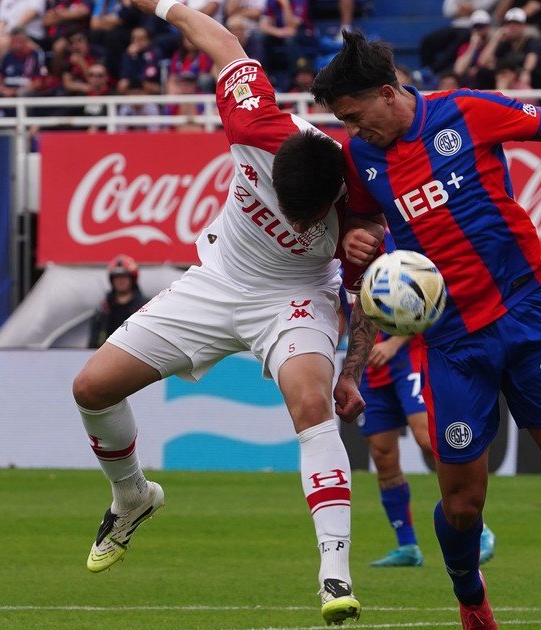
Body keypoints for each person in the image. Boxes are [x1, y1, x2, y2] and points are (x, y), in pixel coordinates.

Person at [316, 30, 541, 630]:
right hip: (452, 343)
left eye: (354, 116)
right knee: (463, 504)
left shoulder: (465, 111)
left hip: (527, 316)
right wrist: (355, 243)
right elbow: (362, 258)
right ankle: (472, 602)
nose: (351, 130)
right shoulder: (360, 159)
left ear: (389, 94)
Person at [70, 1, 372, 625]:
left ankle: (334, 574)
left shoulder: (362, 194)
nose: (297, 221)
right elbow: (218, 38)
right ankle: (132, 498)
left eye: (308, 216)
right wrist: (163, 5)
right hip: (218, 280)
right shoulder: (253, 119)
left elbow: (368, 290)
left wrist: (355, 371)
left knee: (311, 406)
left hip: (295, 297)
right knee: (91, 388)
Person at [354, 232, 496, 570]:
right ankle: (407, 546)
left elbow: (428, 301)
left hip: (408, 358)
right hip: (368, 365)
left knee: (428, 439)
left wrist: (393, 344)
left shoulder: (397, 243)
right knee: (382, 452)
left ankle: (478, 527)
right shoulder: (336, 250)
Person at [88, 255, 147, 349]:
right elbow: (93, 343)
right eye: (117, 277)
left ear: (132, 279)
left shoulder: (145, 308)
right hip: (108, 357)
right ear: (112, 280)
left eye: (125, 276)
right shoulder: (103, 310)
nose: (120, 280)